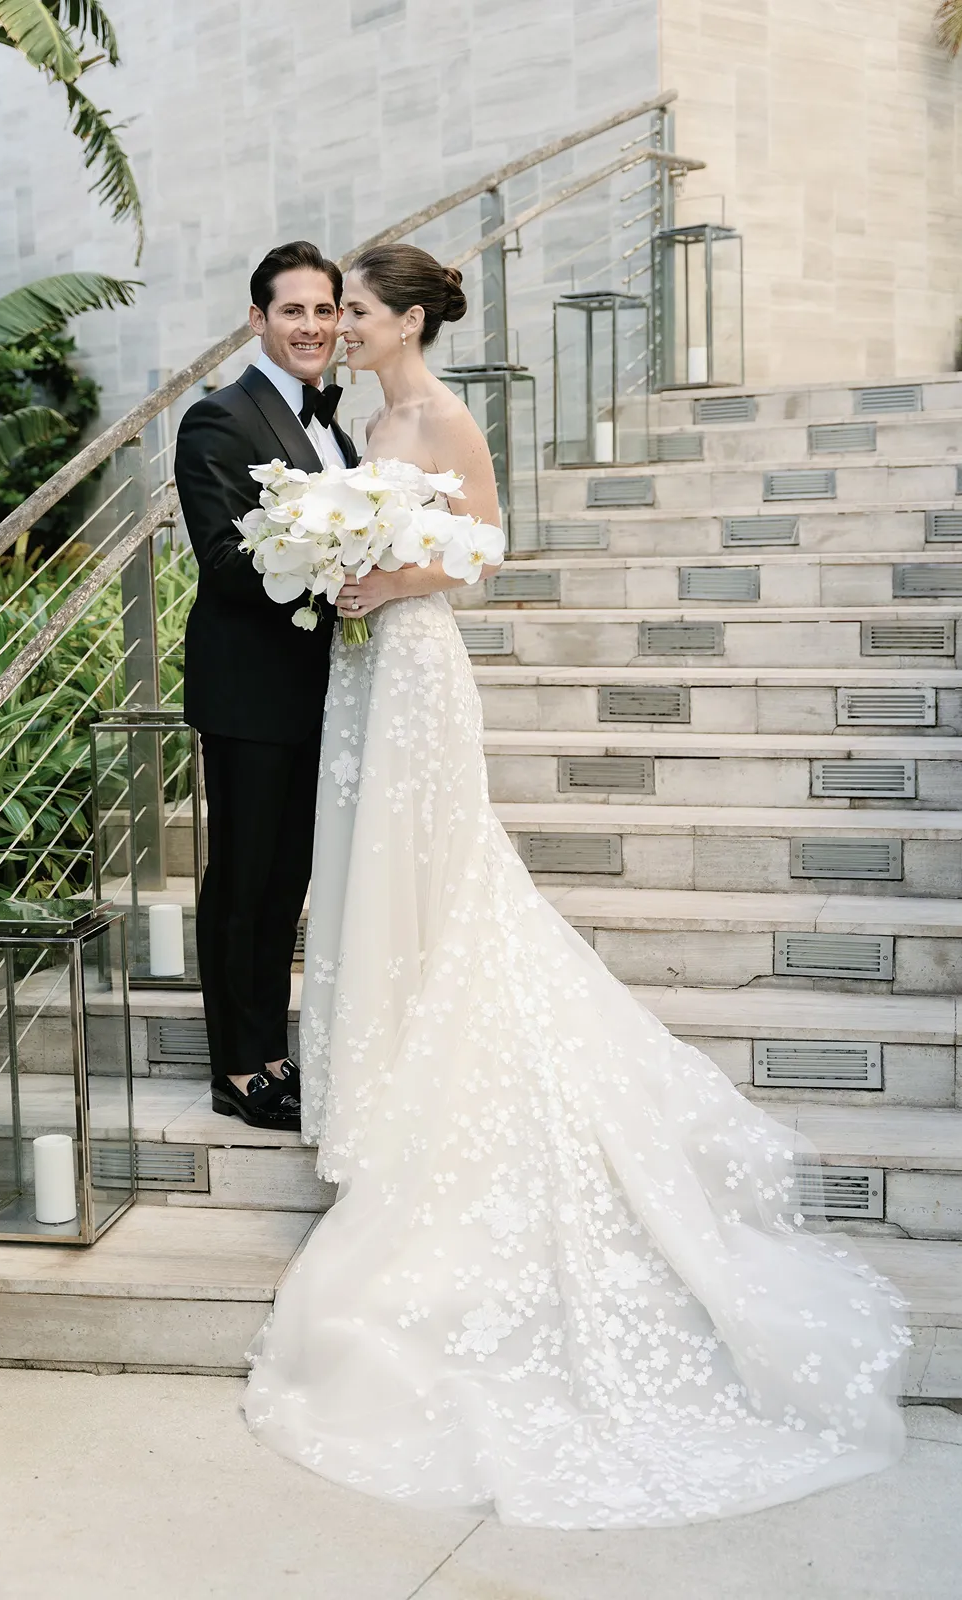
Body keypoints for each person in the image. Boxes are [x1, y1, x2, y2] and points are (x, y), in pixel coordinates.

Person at [241, 242, 909, 1528]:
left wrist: (393, 576)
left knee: (440, 878)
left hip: (421, 664)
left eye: (363, 310)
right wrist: (339, 569)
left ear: (408, 318)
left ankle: (431, 1081)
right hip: (367, 672)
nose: (348, 325)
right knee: (374, 879)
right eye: (341, 313)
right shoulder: (367, 418)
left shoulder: (435, 413)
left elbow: (487, 544)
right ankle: (382, 1075)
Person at [175, 241, 359, 1129]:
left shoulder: (335, 425)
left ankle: (276, 1049)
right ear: (258, 320)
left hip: (319, 688)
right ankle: (238, 1069)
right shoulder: (219, 419)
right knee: (244, 882)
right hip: (249, 691)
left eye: (325, 311)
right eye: (293, 310)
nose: (312, 327)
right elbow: (222, 562)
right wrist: (337, 557)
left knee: (288, 878)